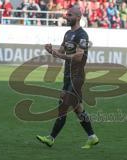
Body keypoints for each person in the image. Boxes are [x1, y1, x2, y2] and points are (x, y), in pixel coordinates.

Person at [36, 7, 99, 149]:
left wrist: (61, 56)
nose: (66, 17)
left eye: (69, 15)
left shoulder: (82, 35)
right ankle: (92, 137)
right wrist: (52, 51)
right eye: (66, 14)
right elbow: (61, 52)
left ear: (77, 17)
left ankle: (51, 138)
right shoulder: (68, 33)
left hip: (77, 76)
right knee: (77, 108)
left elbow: (79, 56)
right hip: (67, 75)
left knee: (63, 106)